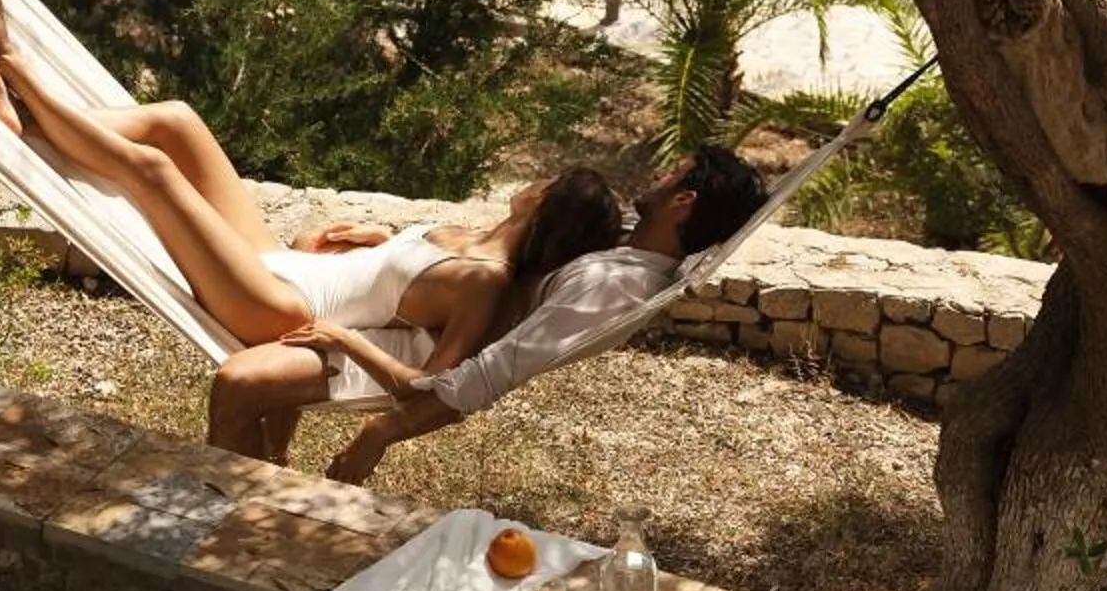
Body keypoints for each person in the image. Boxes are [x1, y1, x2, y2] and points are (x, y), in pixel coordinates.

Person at [0, 0, 627, 438]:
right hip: (280, 265)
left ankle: (14, 70)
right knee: (177, 124)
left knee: (154, 172)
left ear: (548, 207)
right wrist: (381, 243)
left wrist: (343, 340)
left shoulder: (486, 280)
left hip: (276, 309)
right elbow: (401, 282)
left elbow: (430, 386)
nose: (537, 178)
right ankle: (27, 126)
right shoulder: (472, 238)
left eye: (550, 179)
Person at [207, 143, 768, 482]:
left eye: (671, 174)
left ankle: (231, 521)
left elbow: (486, 376)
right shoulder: (625, 234)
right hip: (424, 309)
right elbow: (526, 236)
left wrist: (382, 431)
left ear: (683, 202)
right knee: (272, 348)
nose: (656, 176)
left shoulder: (611, 289)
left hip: (424, 352)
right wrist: (403, 256)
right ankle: (269, 475)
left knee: (240, 384)